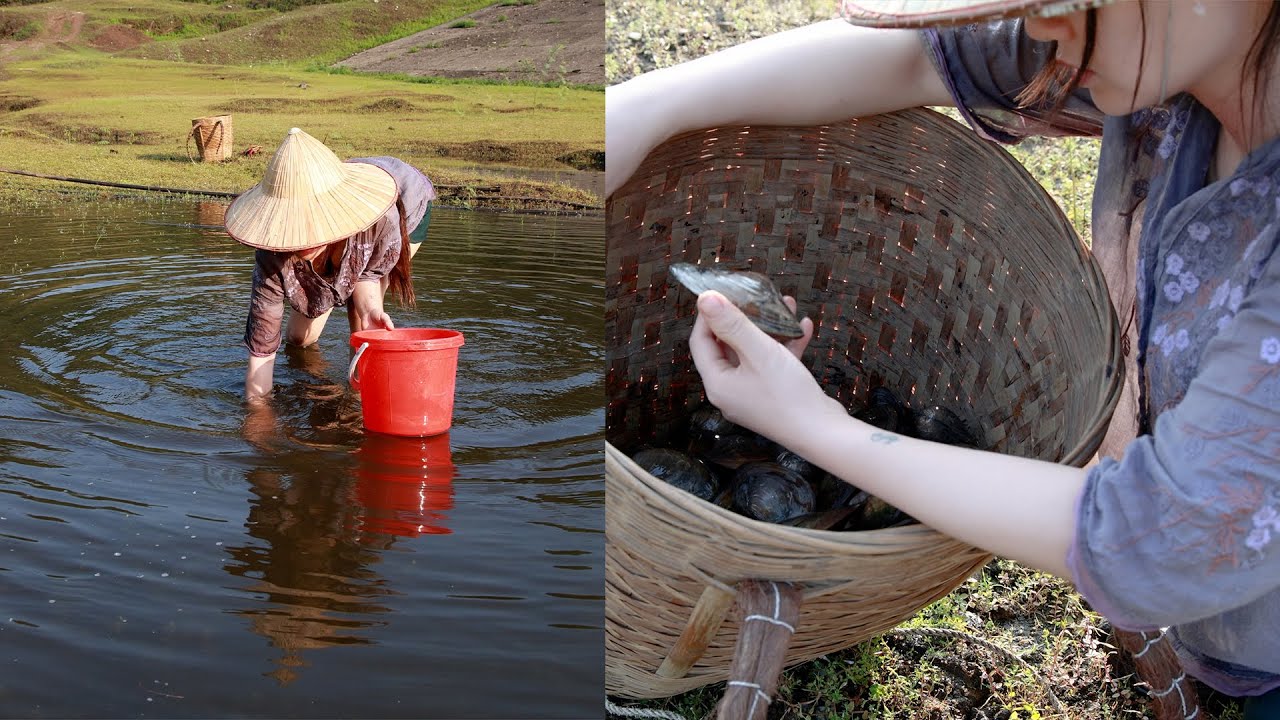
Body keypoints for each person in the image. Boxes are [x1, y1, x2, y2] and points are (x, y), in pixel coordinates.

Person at [607, 0, 1280, 714]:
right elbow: (919, 53)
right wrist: (644, 107)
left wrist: (817, 427)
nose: (1039, 25)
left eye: (1056, 2)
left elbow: (1169, 538)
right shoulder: (1186, 52)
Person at [225, 127, 436, 403]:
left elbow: (367, 275)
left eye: (312, 224)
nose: (306, 237)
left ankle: (356, 399)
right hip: (325, 186)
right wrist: (258, 414)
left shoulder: (380, 221)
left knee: (361, 325)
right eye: (295, 225)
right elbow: (261, 351)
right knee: (299, 339)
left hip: (403, 201)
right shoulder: (271, 255)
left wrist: (371, 308)